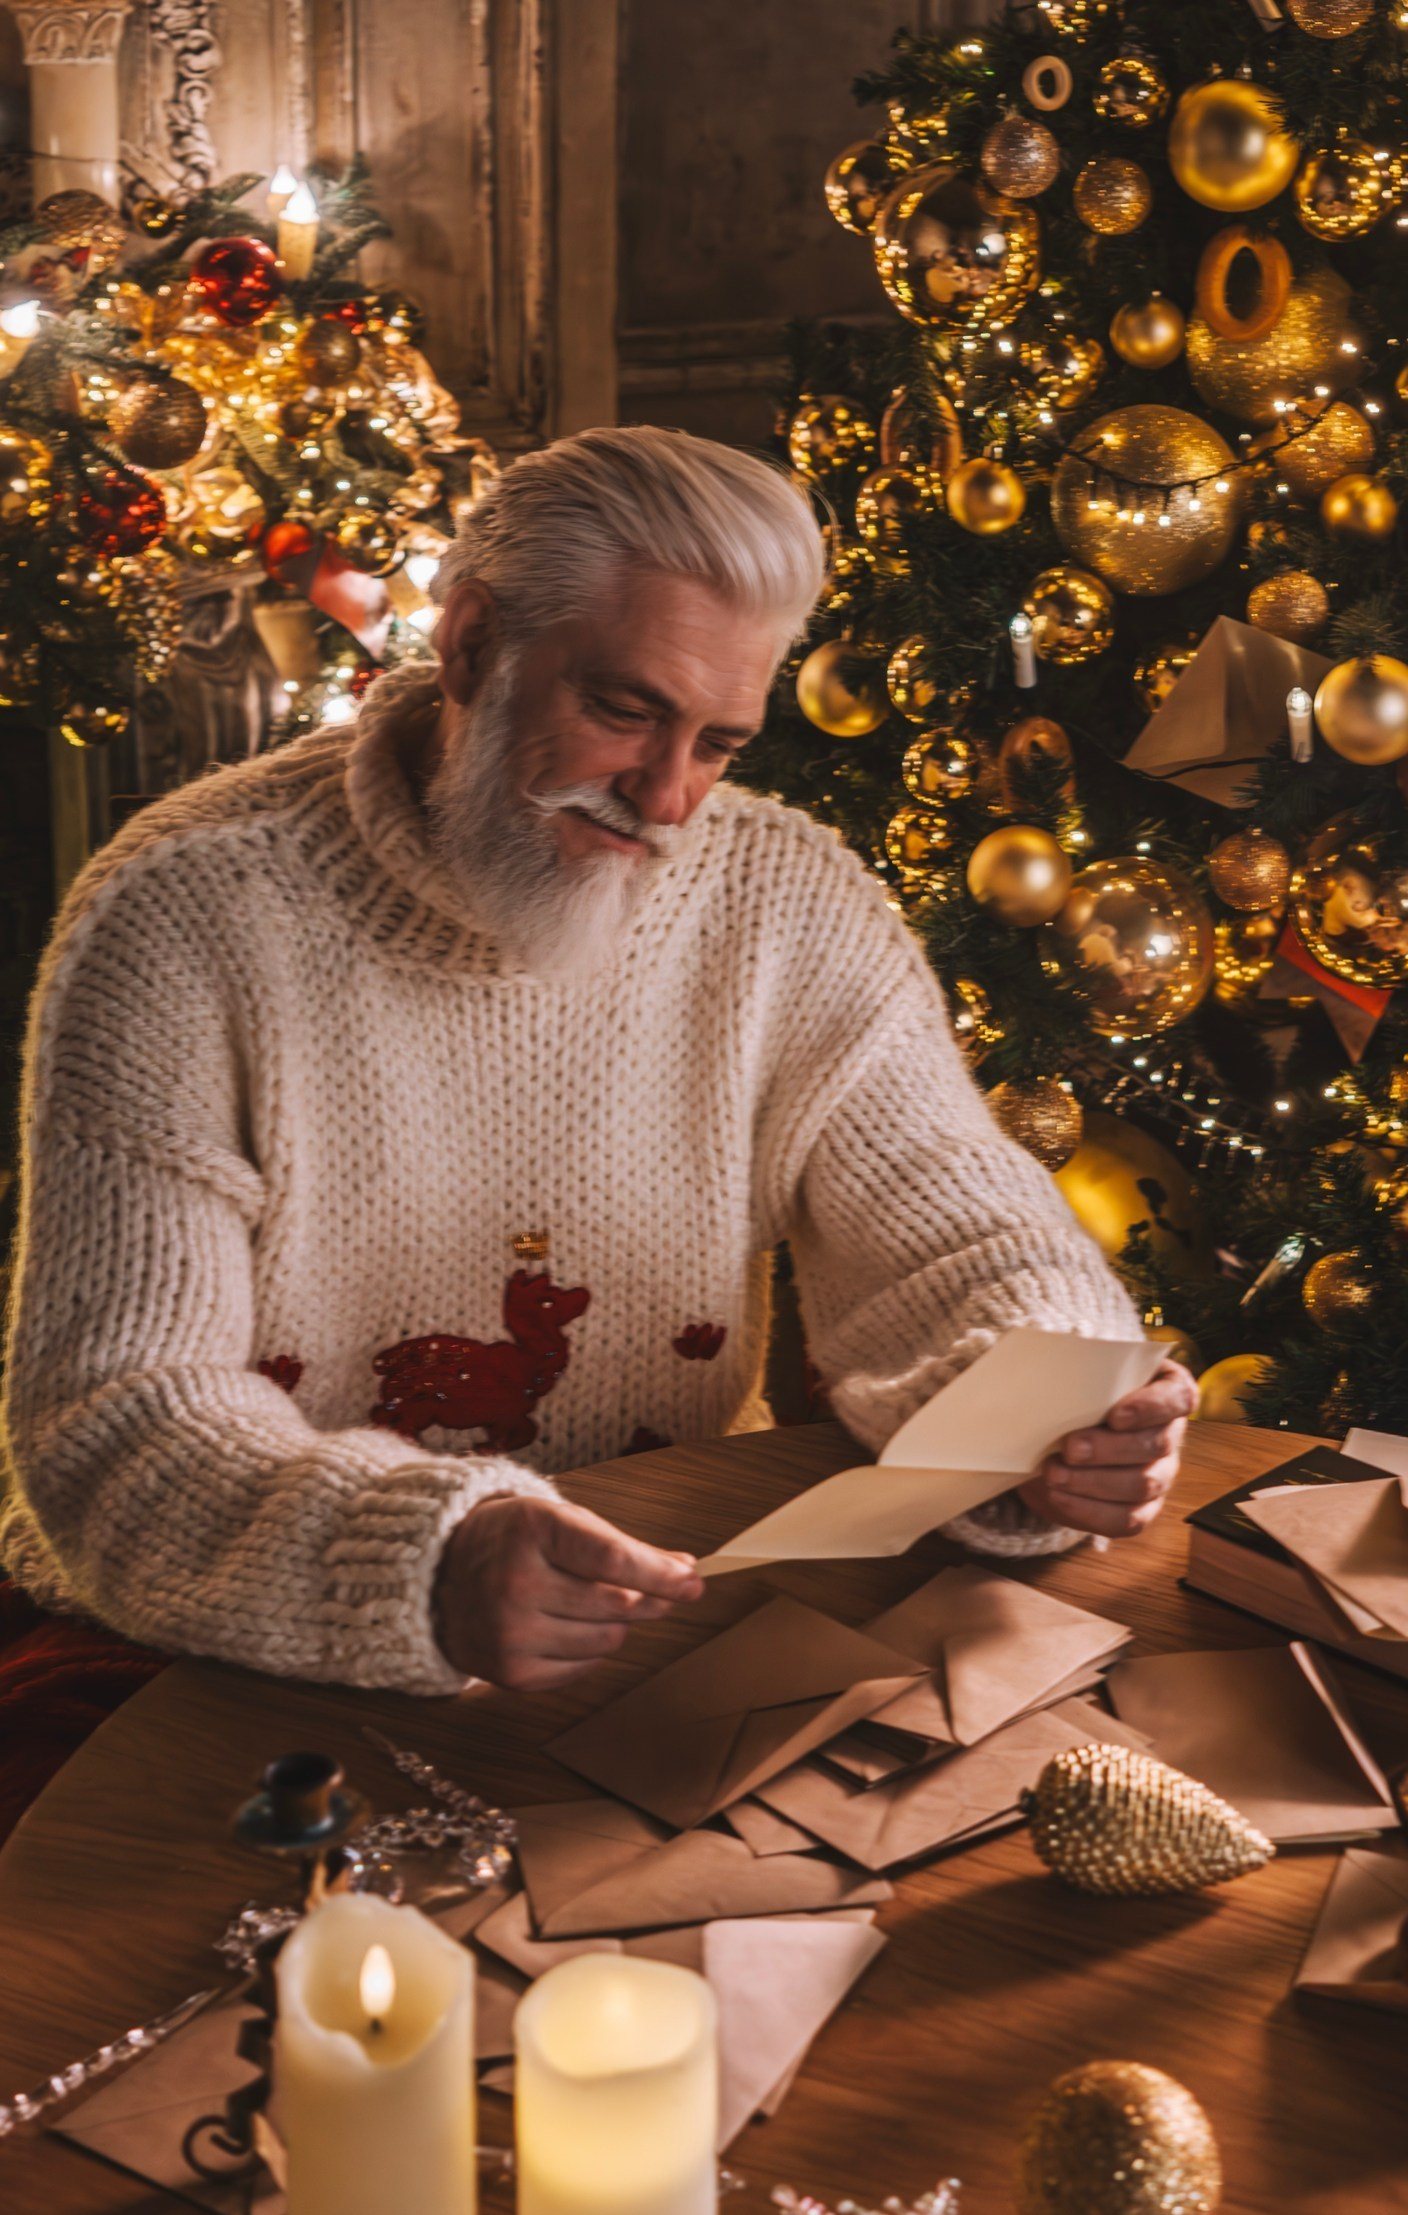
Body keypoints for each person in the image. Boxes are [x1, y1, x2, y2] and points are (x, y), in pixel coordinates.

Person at [0, 426, 1194, 1767]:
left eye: (721, 743)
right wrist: (427, 1559)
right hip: (207, 1629)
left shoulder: (786, 902)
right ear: (467, 646)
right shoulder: (180, 914)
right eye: (625, 709)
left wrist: (1052, 1386)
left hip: (654, 1600)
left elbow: (958, 1230)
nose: (668, 799)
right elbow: (115, 1412)